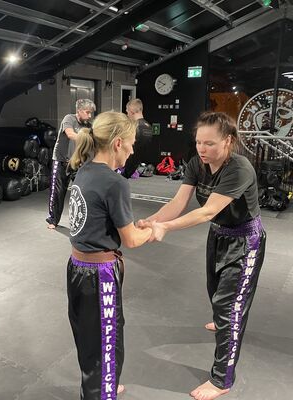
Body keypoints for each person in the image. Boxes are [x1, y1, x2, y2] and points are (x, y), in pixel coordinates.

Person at [139, 111, 266, 400]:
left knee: (229, 307)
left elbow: (208, 211)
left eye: (209, 143)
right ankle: (225, 318)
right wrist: (153, 220)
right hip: (219, 235)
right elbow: (178, 201)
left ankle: (222, 379)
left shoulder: (240, 168)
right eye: (198, 142)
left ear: (228, 141)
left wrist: (166, 228)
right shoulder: (198, 163)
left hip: (246, 240)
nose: (202, 149)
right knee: (216, 294)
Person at [67, 111, 152, 400]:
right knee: (105, 342)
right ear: (117, 143)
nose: (132, 149)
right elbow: (131, 239)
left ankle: (105, 384)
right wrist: (154, 229)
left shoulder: (85, 169)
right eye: (130, 142)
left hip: (76, 266)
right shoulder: (115, 183)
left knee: (91, 339)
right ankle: (101, 392)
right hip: (98, 275)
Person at [46, 98, 96, 229]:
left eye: (91, 113)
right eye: (87, 112)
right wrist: (86, 138)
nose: (89, 115)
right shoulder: (69, 118)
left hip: (76, 162)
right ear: (79, 111)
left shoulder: (88, 126)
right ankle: (53, 220)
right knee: (57, 192)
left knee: (83, 191)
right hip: (61, 160)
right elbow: (70, 134)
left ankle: (84, 220)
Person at [122, 98, 152, 178]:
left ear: (131, 112)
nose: (127, 114)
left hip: (127, 164)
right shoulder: (148, 126)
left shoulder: (133, 127)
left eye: (127, 112)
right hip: (135, 164)